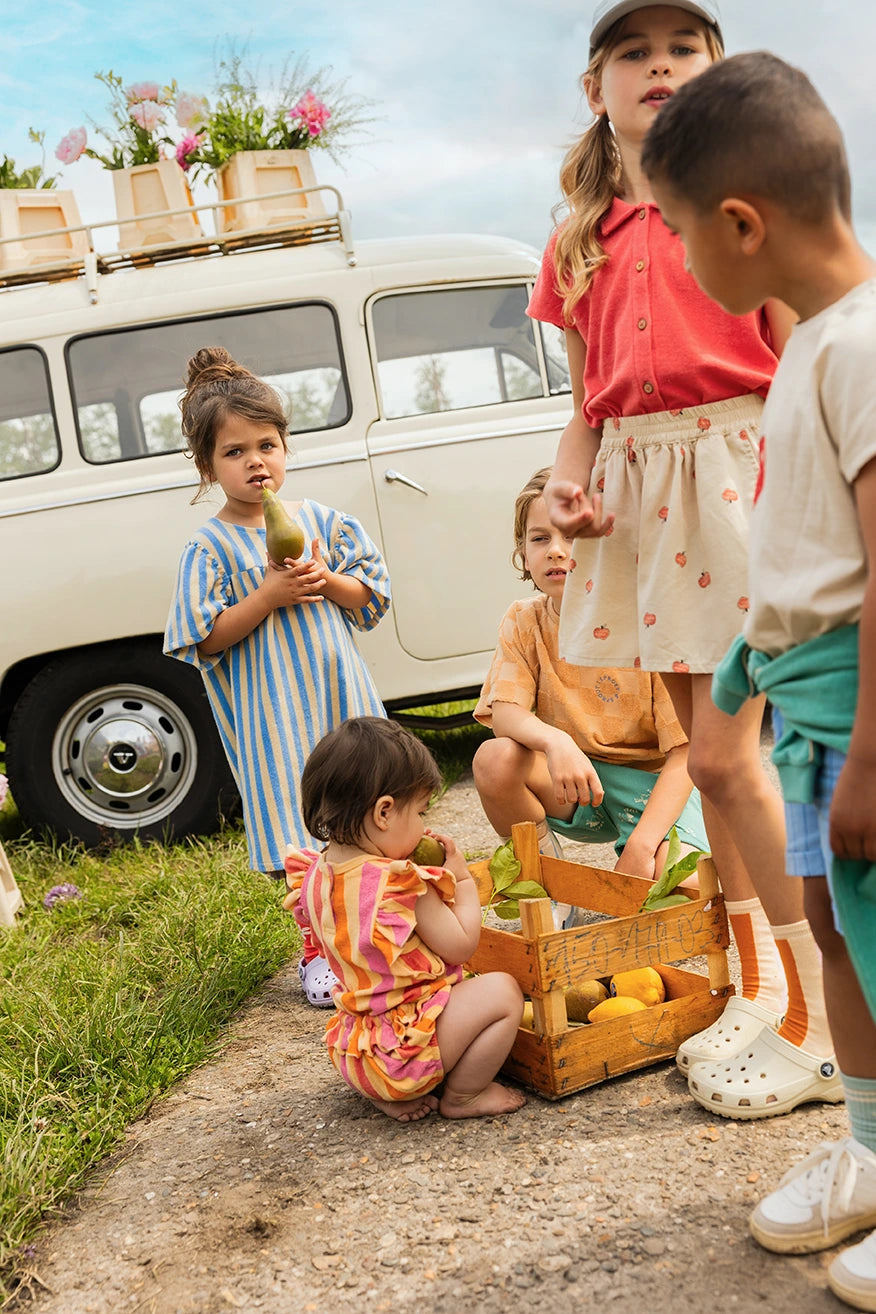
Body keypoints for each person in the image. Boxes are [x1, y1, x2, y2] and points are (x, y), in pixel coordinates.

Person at [526, 0, 835, 1114]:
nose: (658, 68)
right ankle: (759, 992)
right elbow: (583, 414)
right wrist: (573, 484)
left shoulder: (740, 206)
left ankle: (818, 1021)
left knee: (735, 760)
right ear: (597, 87)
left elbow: (802, 360)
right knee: (708, 764)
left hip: (737, 480)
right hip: (641, 498)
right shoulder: (575, 241)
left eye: (682, 51)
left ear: (717, 72)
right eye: (633, 53)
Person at [640, 49, 876, 1311]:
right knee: (840, 930)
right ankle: (873, 1150)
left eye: (679, 232)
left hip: (862, 725)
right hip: (810, 710)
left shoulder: (862, 348)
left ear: (742, 223)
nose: (677, 259)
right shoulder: (814, 349)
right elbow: (808, 557)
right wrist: (747, 662)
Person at [164, 346, 390, 1009]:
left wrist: (332, 581)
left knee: (369, 805)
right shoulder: (209, 547)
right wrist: (266, 595)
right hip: (274, 718)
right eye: (235, 452)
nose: (255, 460)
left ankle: (381, 934)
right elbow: (201, 637)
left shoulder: (321, 523)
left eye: (267, 443)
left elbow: (371, 597)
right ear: (208, 466)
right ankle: (319, 946)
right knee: (301, 832)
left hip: (339, 701)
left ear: (286, 447)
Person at [472, 466, 708, 927]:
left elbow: (687, 752)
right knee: (494, 759)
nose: (556, 551)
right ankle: (552, 894)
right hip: (576, 783)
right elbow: (504, 713)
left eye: (572, 538)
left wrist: (642, 847)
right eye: (539, 539)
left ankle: (675, 851)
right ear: (522, 553)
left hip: (654, 787)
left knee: (682, 894)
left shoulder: (647, 622)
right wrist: (555, 743)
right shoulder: (525, 620)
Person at [283, 716, 527, 1121]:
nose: (424, 826)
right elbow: (463, 944)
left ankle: (386, 1096)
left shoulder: (314, 874)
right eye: (420, 811)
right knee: (503, 992)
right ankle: (464, 1095)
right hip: (405, 1053)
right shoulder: (400, 885)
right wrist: (462, 880)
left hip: (356, 1055)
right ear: (384, 812)